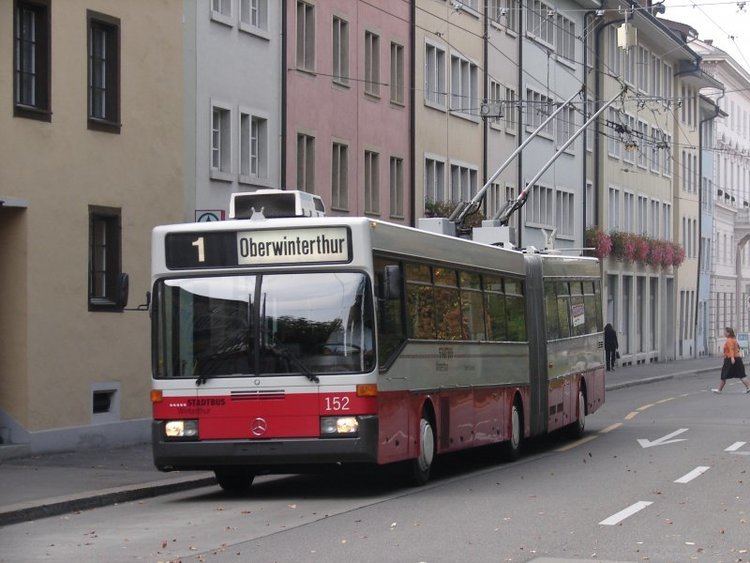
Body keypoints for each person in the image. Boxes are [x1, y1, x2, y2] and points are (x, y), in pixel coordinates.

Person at [712, 327, 750, 394]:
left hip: (730, 360)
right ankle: (749, 387)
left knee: (724, 374)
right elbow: (737, 348)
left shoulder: (729, 340)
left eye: (725, 332)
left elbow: (731, 349)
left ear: (728, 333)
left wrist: (732, 357)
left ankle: (719, 390)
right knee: (742, 374)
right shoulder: (734, 339)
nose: (724, 333)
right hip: (737, 359)